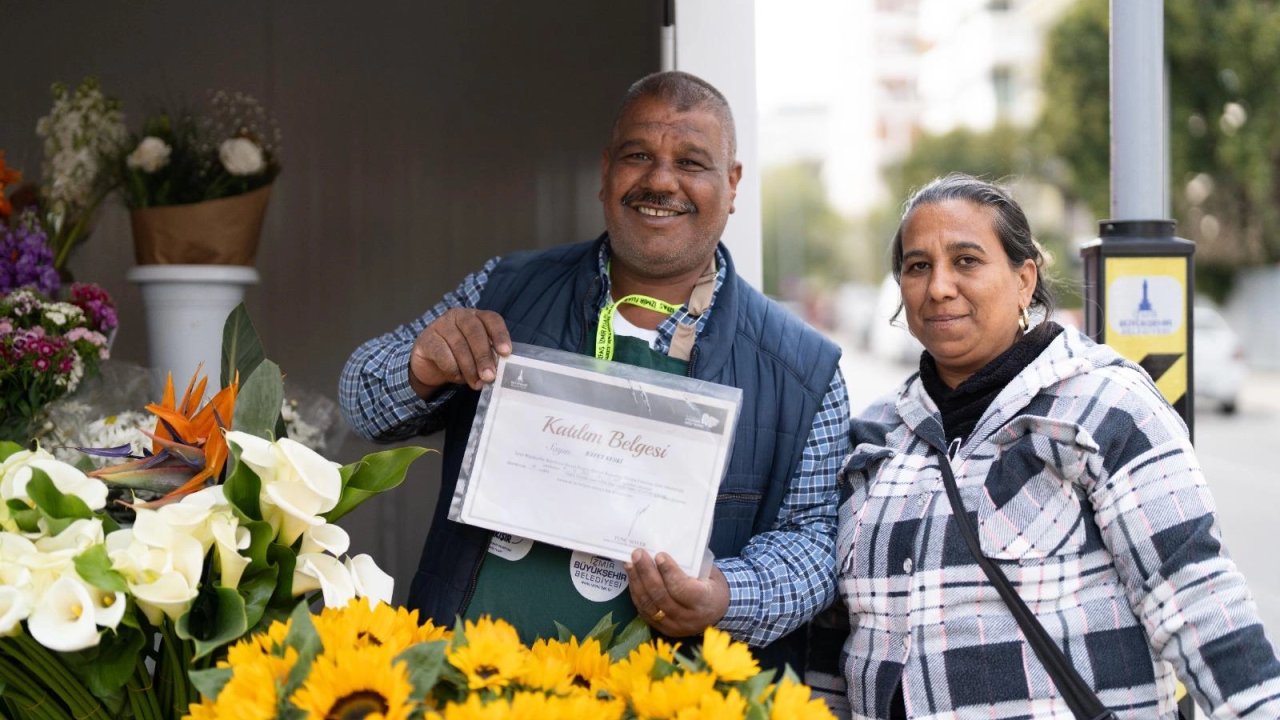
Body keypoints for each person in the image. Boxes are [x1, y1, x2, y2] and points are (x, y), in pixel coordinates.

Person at [339, 70, 850, 671]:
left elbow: (817, 546)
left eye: (691, 162)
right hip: (468, 685)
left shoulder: (803, 370)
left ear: (732, 184)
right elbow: (359, 398)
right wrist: (421, 365)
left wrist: (726, 594)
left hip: (672, 700)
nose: (661, 180)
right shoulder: (504, 289)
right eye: (639, 155)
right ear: (607, 171)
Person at [830, 173, 1280, 718]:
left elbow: (1196, 598)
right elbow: (836, 642)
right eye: (918, 266)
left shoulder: (1104, 405)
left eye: (967, 261)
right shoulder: (874, 439)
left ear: (1024, 280)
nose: (939, 286)